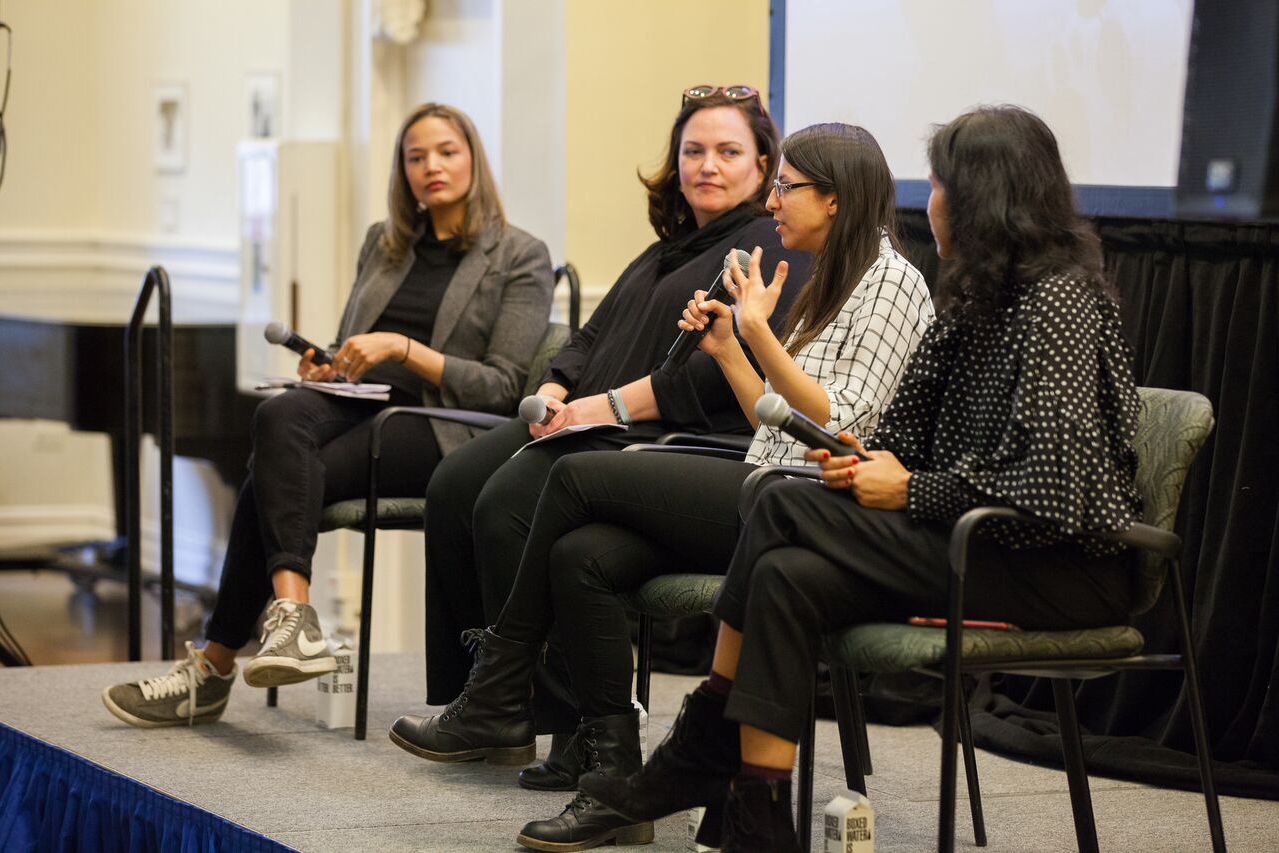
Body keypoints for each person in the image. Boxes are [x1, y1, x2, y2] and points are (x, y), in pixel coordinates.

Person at [581, 105, 1145, 851]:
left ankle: (702, 742)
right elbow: (898, 439)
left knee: (778, 503)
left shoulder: (1059, 305)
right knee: (785, 572)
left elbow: (1052, 487)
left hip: (1060, 566)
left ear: (982, 199)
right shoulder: (973, 303)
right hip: (972, 538)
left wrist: (910, 490)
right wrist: (850, 456)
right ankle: (756, 814)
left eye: (938, 185)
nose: (928, 203)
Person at [392, 122, 933, 851]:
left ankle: (499, 681)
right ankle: (615, 776)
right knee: (581, 554)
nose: (774, 200)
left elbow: (838, 423)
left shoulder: (892, 281)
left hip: (804, 506)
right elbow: (770, 413)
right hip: (767, 479)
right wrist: (728, 349)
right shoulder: (828, 275)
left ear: (835, 198)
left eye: (786, 186)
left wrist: (758, 334)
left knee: (576, 473)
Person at [393, 85, 812, 765]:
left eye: (728, 152)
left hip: (669, 434)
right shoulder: (666, 249)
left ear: (763, 166)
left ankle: (541, 709)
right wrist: (555, 388)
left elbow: (708, 375)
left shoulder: (760, 244)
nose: (707, 165)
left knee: (505, 503)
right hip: (586, 417)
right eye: (693, 151)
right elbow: (588, 336)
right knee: (454, 485)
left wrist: (604, 407)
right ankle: (479, 696)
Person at [101, 103, 555, 728]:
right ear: (402, 171)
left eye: (447, 152)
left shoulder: (520, 255)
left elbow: (502, 387)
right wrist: (331, 367)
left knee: (267, 477)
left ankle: (215, 667)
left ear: (473, 158)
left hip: (446, 429)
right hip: (362, 407)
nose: (431, 166)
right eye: (416, 157)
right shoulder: (384, 242)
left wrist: (403, 348)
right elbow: (350, 343)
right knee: (282, 415)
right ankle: (293, 619)